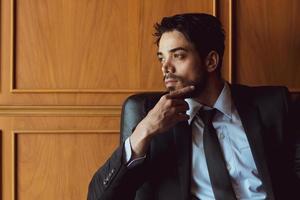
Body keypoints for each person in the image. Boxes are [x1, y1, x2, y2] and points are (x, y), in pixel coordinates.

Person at [88, 13, 300, 200]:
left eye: (178, 55)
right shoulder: (151, 116)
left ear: (211, 61)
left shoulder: (273, 105)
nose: (165, 67)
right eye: (161, 58)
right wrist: (144, 131)